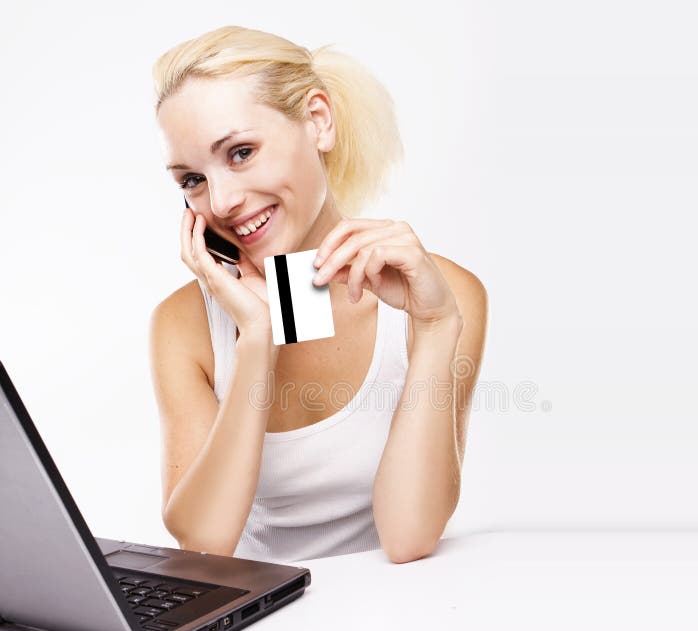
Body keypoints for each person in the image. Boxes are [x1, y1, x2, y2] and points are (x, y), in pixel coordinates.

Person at [149, 25, 488, 564]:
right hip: (255, 625)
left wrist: (436, 327)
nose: (223, 200)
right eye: (191, 179)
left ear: (317, 122)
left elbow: (409, 537)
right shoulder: (182, 324)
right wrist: (258, 339)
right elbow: (204, 544)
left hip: (399, 622)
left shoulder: (446, 295)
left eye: (240, 152)